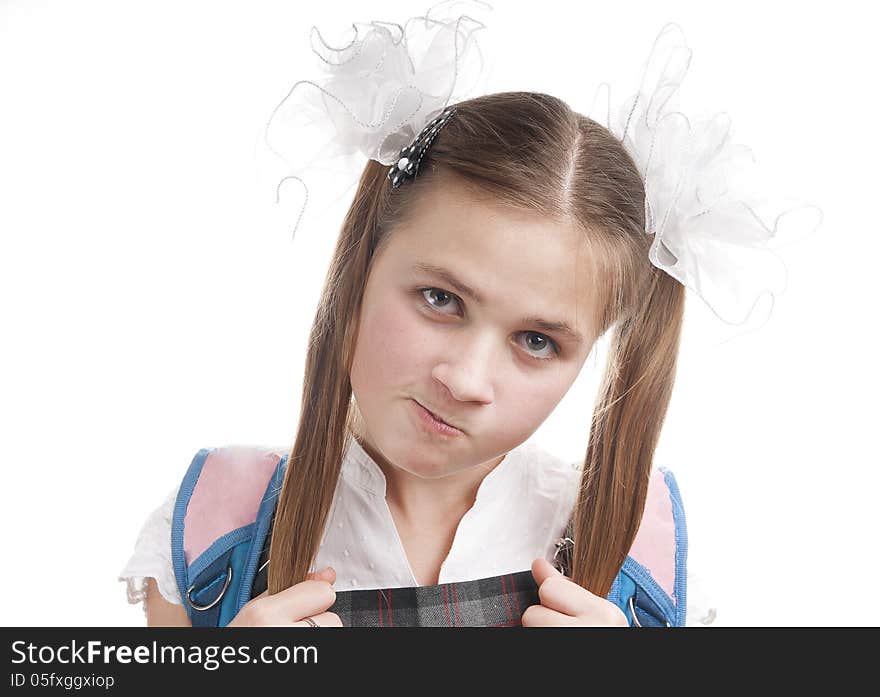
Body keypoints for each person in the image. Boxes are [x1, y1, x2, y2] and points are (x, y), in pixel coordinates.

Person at [119, 2, 815, 628]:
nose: (466, 378)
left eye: (537, 340)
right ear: (362, 260)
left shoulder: (648, 566)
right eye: (440, 299)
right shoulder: (216, 531)